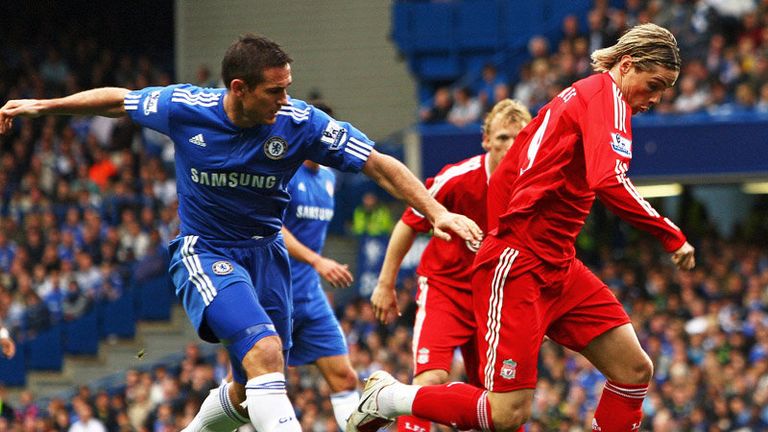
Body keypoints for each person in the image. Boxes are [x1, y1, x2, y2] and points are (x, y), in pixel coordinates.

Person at [0, 34, 483, 432]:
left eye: (288, 88)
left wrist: (435, 211)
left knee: (247, 390)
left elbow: (378, 164)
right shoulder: (187, 107)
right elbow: (117, 102)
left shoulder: (300, 124)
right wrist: (45, 106)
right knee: (266, 354)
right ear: (239, 88)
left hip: (267, 255)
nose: (286, 101)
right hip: (205, 250)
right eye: (275, 91)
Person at [348, 23, 696, 432]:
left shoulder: (586, 96)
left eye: (665, 90)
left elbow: (514, 172)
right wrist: (670, 233)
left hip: (557, 264)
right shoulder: (606, 99)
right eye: (654, 84)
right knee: (507, 413)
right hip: (519, 266)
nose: (655, 98)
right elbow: (608, 180)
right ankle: (388, 397)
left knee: (634, 369)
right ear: (627, 64)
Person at [370, 99, 531, 432]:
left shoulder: (533, 188)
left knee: (499, 401)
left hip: (495, 301)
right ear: (486, 140)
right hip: (447, 290)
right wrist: (385, 284)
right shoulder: (458, 178)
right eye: (502, 138)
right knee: (431, 378)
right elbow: (408, 223)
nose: (510, 147)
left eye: (519, 138)